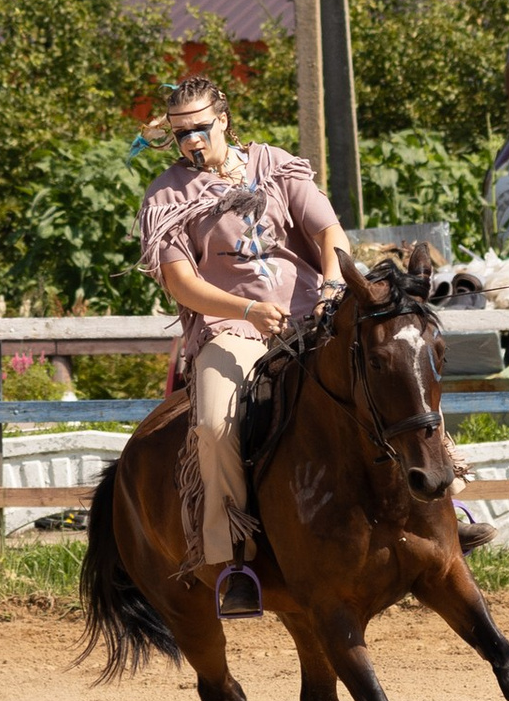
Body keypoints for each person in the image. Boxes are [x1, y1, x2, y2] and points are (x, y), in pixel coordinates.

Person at [139, 81, 358, 619]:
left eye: (199, 127)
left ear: (223, 118)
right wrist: (245, 311)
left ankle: (439, 501)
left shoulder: (276, 165)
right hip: (232, 331)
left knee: (392, 364)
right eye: (179, 131)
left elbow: (329, 231)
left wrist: (332, 283)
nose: (191, 140)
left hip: (315, 316)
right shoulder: (166, 197)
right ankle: (234, 557)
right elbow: (181, 285)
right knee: (214, 424)